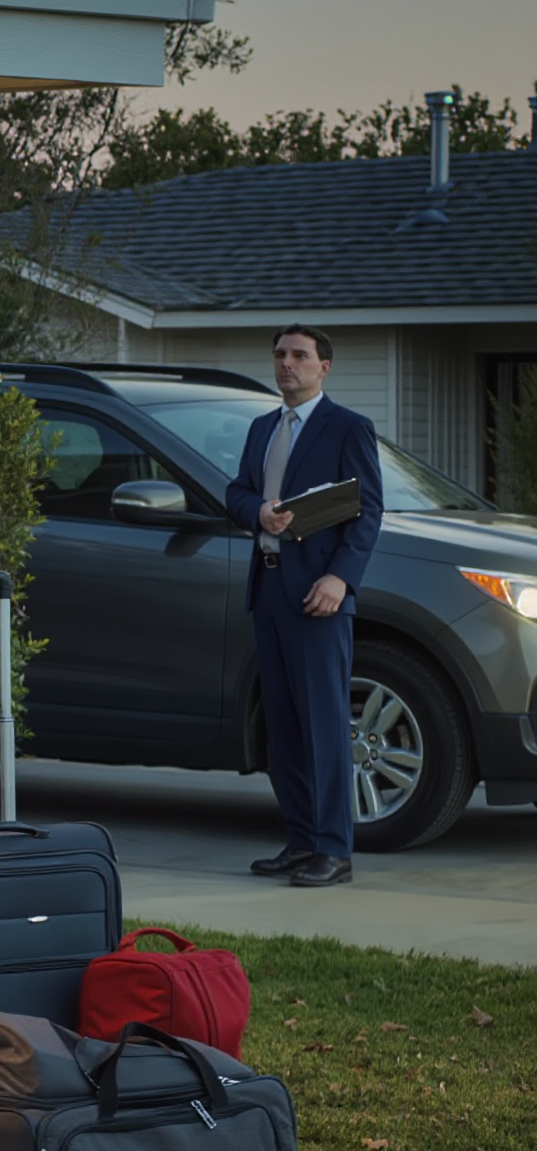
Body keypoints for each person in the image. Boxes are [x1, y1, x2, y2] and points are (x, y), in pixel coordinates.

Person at [225, 324, 384, 888]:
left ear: (324, 367)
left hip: (319, 596)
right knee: (283, 727)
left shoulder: (348, 429)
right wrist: (256, 513)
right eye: (279, 355)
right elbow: (237, 491)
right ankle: (300, 842)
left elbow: (366, 515)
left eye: (299, 356)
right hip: (268, 590)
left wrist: (340, 579)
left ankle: (334, 850)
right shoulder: (263, 427)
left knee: (321, 724)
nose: (286, 364)